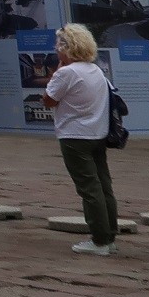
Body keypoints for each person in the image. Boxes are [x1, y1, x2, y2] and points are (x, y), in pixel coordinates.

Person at [43, 22, 117, 256]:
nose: (56, 50)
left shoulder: (66, 72)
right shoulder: (95, 70)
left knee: (88, 188)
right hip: (97, 133)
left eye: (59, 45)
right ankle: (109, 235)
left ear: (68, 47)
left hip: (74, 135)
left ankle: (99, 239)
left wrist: (55, 73)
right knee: (103, 185)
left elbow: (49, 100)